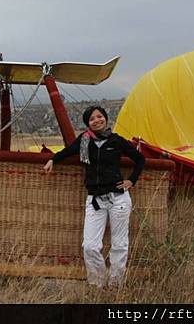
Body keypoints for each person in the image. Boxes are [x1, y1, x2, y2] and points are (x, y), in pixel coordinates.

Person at [43, 105, 145, 288]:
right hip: (95, 199)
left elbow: (140, 159)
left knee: (119, 245)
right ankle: (98, 283)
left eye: (100, 117)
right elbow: (68, 151)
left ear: (105, 118)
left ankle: (115, 285)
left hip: (118, 198)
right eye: (92, 119)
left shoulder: (116, 140)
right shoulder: (84, 140)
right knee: (89, 246)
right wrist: (53, 159)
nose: (97, 120)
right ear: (87, 124)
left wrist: (132, 181)